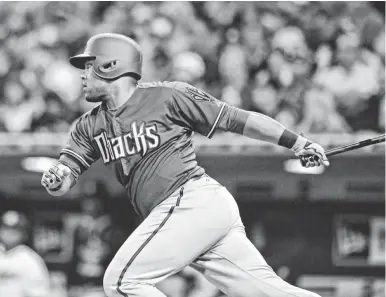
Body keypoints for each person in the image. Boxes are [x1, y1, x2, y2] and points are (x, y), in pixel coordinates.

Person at [41, 33, 329, 297]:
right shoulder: (88, 125)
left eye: (89, 66)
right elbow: (67, 173)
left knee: (121, 281)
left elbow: (237, 119)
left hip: (190, 201)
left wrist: (297, 142)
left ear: (110, 65)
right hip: (191, 214)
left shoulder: (166, 96)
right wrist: (58, 178)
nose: (82, 75)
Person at [0, 210, 50, 297]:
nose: (9, 233)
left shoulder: (31, 259)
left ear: (23, 233)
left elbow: (39, 293)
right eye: (5, 228)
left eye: (14, 230)